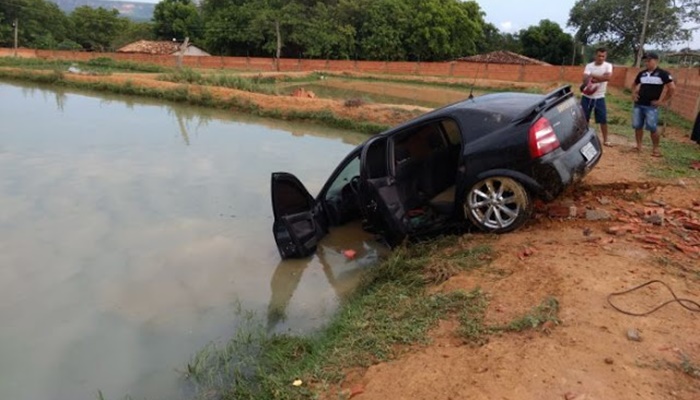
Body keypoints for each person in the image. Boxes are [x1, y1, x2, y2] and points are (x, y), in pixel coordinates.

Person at [632, 52, 676, 157]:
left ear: (656, 61)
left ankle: (655, 149)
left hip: (651, 106)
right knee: (638, 126)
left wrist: (662, 101)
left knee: (653, 128)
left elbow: (672, 88)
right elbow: (634, 84)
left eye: (649, 61)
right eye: (645, 61)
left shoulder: (663, 74)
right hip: (638, 104)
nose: (646, 63)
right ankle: (639, 146)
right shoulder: (642, 74)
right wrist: (634, 94)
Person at [581, 48, 613, 146]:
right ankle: (583, 138)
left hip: (600, 96)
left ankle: (606, 140)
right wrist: (601, 78)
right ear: (595, 56)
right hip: (586, 96)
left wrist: (592, 75)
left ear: (605, 56)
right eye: (599, 56)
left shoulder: (608, 66)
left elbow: (608, 78)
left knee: (603, 119)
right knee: (584, 118)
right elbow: (585, 80)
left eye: (603, 56)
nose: (601, 58)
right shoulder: (589, 65)